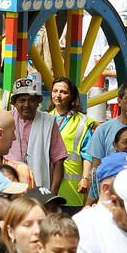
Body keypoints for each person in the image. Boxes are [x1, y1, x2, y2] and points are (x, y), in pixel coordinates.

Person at [47, 77, 94, 208]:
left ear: (72, 96)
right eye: (55, 91)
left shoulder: (82, 121)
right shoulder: (45, 118)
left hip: (71, 187)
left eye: (63, 92)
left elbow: (87, 154)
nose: (58, 95)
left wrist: (85, 178)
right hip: (48, 183)